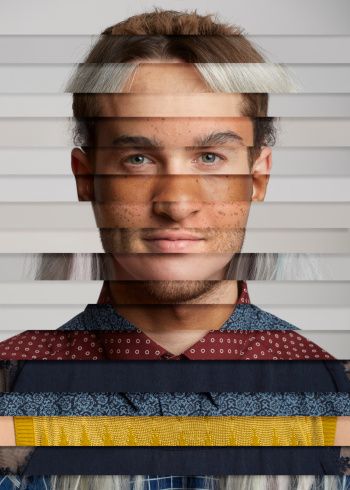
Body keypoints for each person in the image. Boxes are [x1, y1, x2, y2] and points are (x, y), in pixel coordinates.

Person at [0, 8, 350, 489]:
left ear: (257, 176)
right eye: (138, 158)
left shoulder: (332, 397)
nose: (177, 202)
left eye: (210, 157)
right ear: (86, 177)